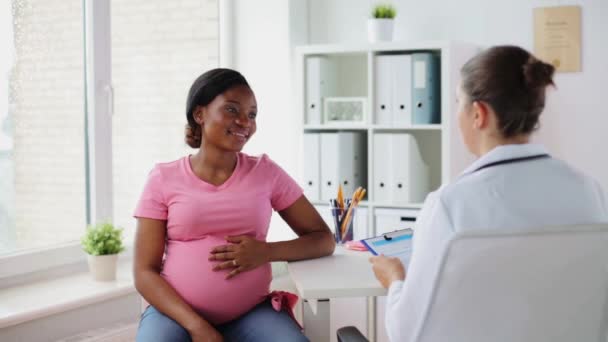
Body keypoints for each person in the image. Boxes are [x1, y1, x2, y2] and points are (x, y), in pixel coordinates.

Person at [369, 45, 608, 342]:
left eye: (458, 103)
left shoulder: (449, 205)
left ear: (479, 114)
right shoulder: (589, 192)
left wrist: (395, 279)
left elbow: (406, 333)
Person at [133, 68, 335, 342]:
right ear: (199, 114)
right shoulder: (163, 178)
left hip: (251, 312)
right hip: (175, 314)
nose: (244, 122)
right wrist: (197, 326)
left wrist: (265, 252)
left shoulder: (266, 172)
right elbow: (144, 272)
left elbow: (323, 240)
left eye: (252, 115)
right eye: (231, 109)